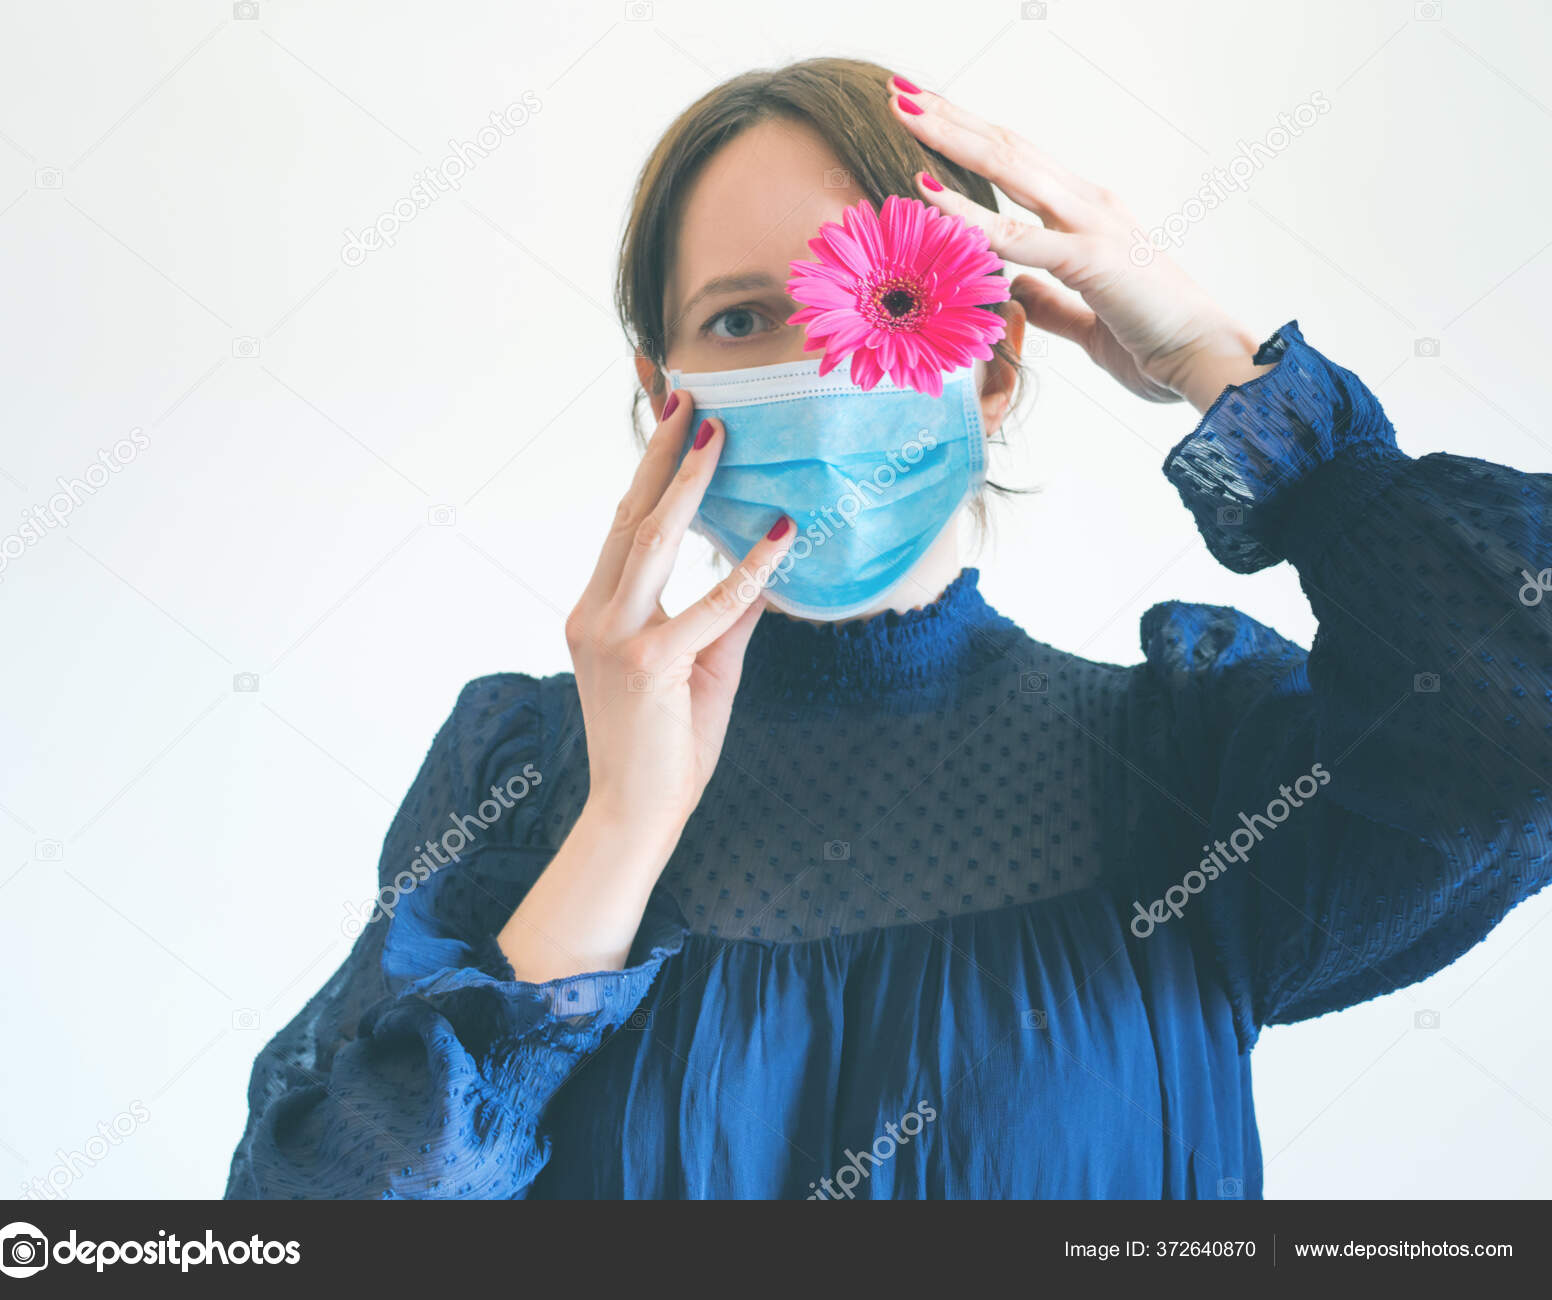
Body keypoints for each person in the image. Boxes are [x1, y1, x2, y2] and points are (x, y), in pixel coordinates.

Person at [226, 57, 1551, 1200]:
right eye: (740, 319)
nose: (819, 364)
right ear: (662, 387)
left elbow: (1521, 733)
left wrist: (1221, 363)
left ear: (994, 361)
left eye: (883, 301)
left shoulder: (1195, 771)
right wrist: (615, 835)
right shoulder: (521, 779)